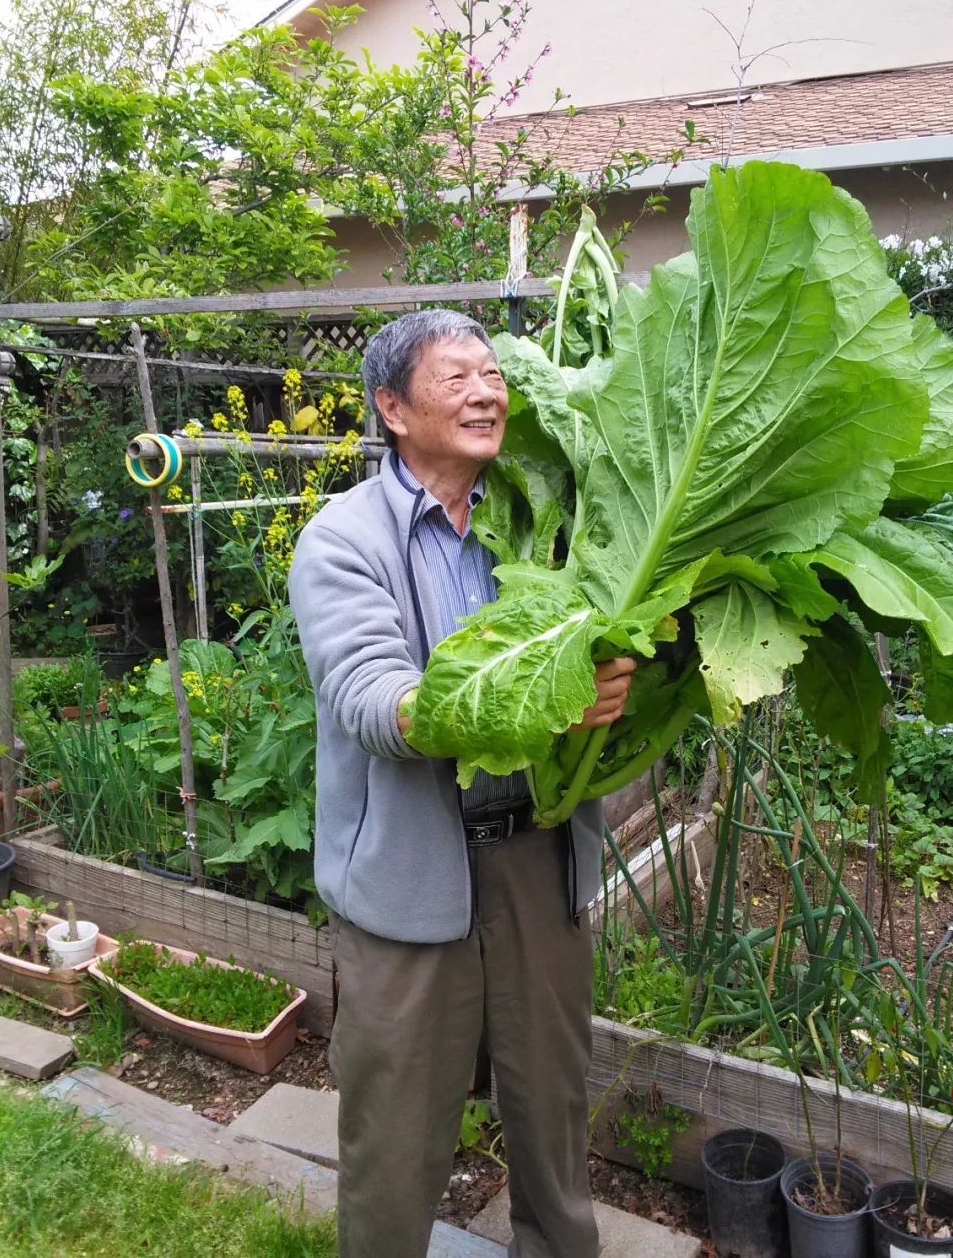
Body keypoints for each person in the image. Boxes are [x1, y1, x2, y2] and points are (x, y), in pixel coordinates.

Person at [288, 309, 634, 1258]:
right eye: (458, 378)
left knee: (554, 1120)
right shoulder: (341, 539)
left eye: (494, 375)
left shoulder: (542, 520)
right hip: (408, 883)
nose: (487, 392)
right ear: (393, 407)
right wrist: (542, 703)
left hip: (539, 862)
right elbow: (375, 703)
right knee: (395, 1142)